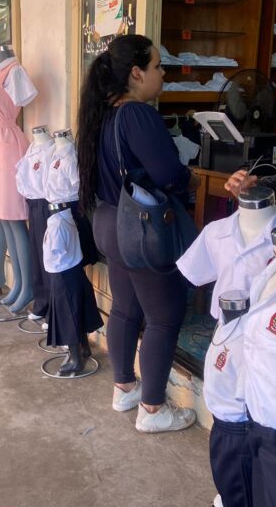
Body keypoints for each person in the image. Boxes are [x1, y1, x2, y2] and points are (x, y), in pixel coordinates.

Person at [77, 34, 200, 433]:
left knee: (127, 308)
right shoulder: (137, 115)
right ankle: (152, 409)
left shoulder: (101, 115)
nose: (163, 74)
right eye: (158, 66)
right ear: (136, 72)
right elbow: (167, 175)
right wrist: (190, 181)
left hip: (110, 222)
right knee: (165, 316)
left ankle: (124, 388)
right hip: (141, 229)